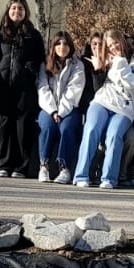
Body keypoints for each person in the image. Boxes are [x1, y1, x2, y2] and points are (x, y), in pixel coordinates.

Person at [73, 29, 134, 188]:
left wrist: (120, 62)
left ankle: (109, 178)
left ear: (122, 42)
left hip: (124, 108)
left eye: (116, 43)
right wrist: (98, 70)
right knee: (91, 129)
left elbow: (132, 84)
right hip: (102, 102)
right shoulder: (104, 59)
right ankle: (81, 175)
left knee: (114, 135)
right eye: (110, 45)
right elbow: (98, 87)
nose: (113, 47)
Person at [0, 0, 44, 178]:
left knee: (23, 125)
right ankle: (4, 164)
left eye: (20, 9)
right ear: (8, 10)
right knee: (4, 124)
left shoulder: (33, 35)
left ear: (25, 12)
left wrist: (30, 69)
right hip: (4, 83)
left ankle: (21, 167)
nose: (17, 12)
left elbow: (40, 59)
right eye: (13, 8)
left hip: (25, 86)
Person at [35, 32, 86, 183]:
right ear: (53, 46)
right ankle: (44, 166)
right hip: (49, 108)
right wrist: (53, 111)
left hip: (70, 109)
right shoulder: (45, 64)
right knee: (47, 126)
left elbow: (74, 91)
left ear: (70, 46)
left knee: (67, 128)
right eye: (58, 44)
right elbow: (42, 88)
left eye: (65, 44)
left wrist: (61, 112)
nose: (62, 47)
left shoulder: (78, 65)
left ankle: (64, 168)